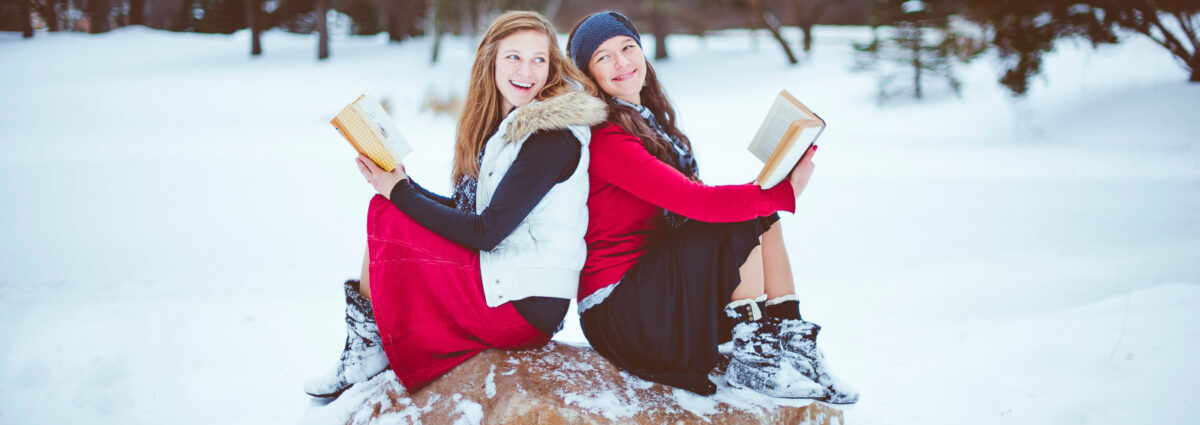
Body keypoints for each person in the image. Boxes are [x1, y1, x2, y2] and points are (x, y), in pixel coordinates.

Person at [304, 10, 605, 398]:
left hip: (525, 303)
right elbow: (473, 216)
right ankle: (369, 345)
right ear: (491, 61)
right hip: (510, 280)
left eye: (538, 60)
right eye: (514, 56)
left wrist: (400, 193)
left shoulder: (550, 137)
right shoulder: (511, 128)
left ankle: (367, 349)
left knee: (389, 213)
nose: (526, 71)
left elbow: (486, 232)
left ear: (551, 68)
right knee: (391, 208)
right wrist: (402, 185)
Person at [565, 11, 858, 403]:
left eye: (627, 48)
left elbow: (693, 202)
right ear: (589, 75)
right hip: (619, 309)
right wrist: (780, 192)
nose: (621, 62)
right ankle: (753, 357)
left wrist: (769, 191)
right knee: (739, 217)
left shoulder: (647, 122)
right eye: (603, 57)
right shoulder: (606, 137)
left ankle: (793, 345)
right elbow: (694, 202)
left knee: (758, 215)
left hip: (654, 287)